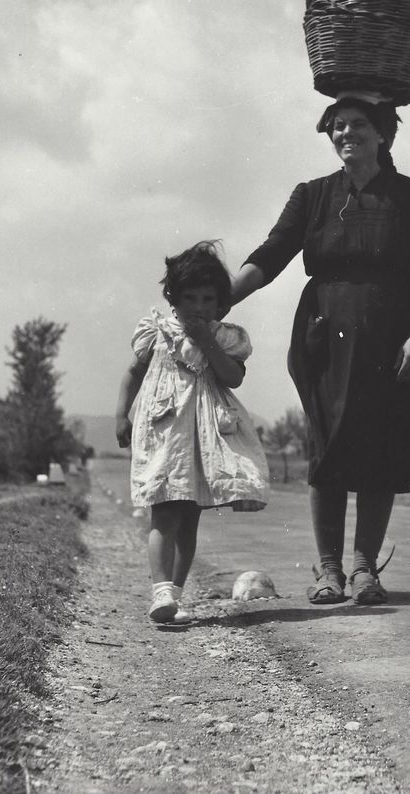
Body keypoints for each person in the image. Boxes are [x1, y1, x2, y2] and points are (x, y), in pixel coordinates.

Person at [231, 95, 410, 605]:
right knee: (328, 448)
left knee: (384, 445)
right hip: (324, 336)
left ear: (383, 133)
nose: (346, 133)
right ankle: (329, 572)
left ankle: (365, 570)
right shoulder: (313, 195)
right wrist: (219, 302)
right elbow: (270, 256)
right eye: (338, 126)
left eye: (358, 125)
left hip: (392, 336)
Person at [115, 241, 270, 623]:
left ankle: (175, 597)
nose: (198, 307)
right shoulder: (157, 333)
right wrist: (122, 414)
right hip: (165, 431)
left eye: (207, 299)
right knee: (164, 513)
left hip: (203, 438)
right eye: (189, 298)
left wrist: (207, 343)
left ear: (219, 302)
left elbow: (233, 377)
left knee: (189, 518)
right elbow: (133, 374)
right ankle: (160, 592)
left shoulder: (224, 336)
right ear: (173, 298)